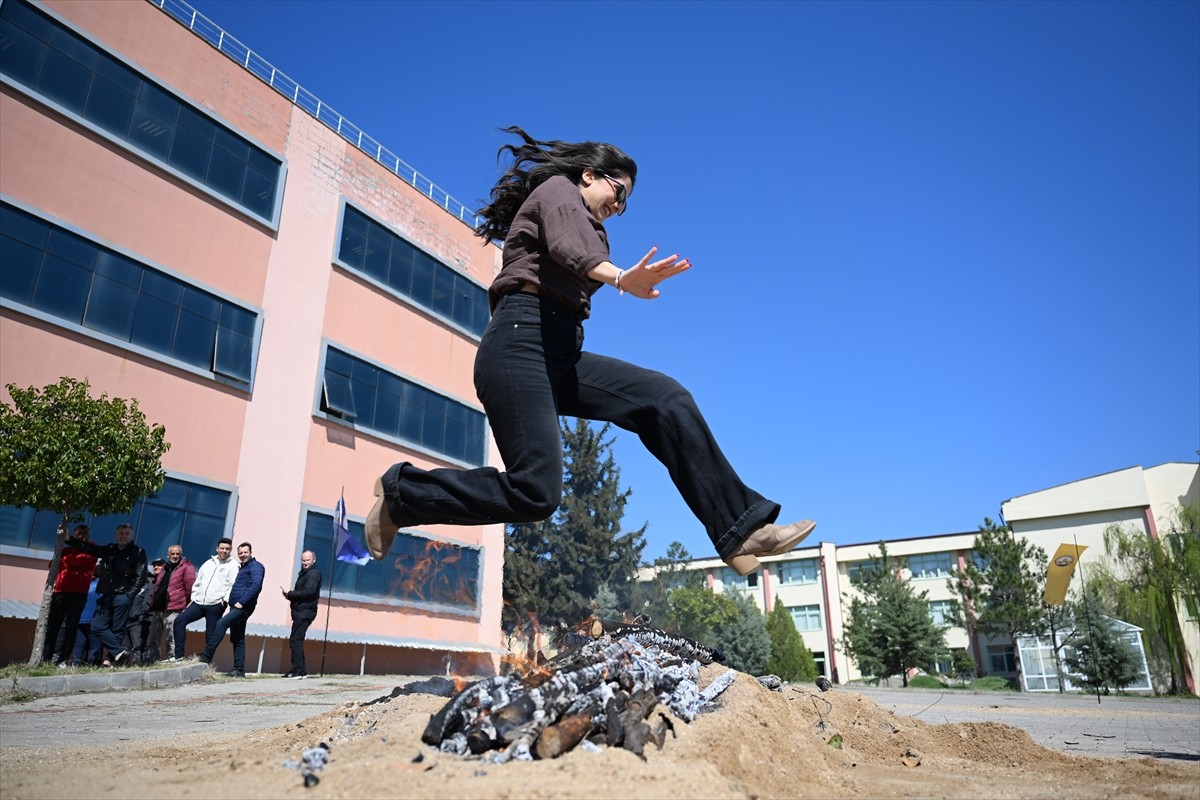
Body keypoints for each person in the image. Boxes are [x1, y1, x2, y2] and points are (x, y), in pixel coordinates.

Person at [364, 127, 815, 577]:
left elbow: (574, 254)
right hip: (519, 343)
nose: (618, 208)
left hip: (560, 351)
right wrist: (621, 278)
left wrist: (614, 274)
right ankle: (404, 495)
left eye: (624, 204)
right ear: (589, 175)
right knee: (537, 492)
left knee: (664, 398)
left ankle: (739, 528)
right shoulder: (557, 191)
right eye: (618, 193)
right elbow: (565, 248)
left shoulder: (593, 230)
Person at [66, 523, 147, 666]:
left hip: (123, 595)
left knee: (117, 628)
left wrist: (129, 595)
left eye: (126, 533)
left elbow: (141, 576)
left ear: (132, 536)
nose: (123, 536)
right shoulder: (110, 549)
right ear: (116, 535)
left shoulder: (138, 552)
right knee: (97, 625)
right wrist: (68, 539)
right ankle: (119, 652)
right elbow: (91, 549)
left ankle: (110, 660)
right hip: (106, 594)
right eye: (121, 533)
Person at [200, 542, 264, 677]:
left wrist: (242, 602)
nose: (243, 555)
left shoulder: (256, 567)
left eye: (245, 552)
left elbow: (256, 585)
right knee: (237, 638)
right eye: (240, 553)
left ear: (251, 552)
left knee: (221, 623)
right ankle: (239, 670)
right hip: (236, 606)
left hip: (243, 607)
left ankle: (206, 655)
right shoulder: (243, 568)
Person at [169, 538, 237, 661]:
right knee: (179, 621)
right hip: (199, 603)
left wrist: (224, 601)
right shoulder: (208, 563)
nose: (224, 551)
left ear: (230, 550)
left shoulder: (233, 565)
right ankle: (178, 656)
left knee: (210, 634)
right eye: (222, 548)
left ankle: (206, 661)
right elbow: (198, 581)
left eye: (227, 549)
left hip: (216, 604)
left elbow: (232, 585)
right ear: (217, 549)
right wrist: (194, 597)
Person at [42, 524, 99, 665]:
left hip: (78, 593)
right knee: (52, 627)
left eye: (84, 533)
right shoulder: (66, 549)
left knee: (71, 627)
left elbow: (78, 560)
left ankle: (63, 659)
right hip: (60, 591)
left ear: (88, 535)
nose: (81, 535)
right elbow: (52, 565)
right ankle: (46, 657)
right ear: (73, 534)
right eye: (78, 532)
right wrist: (64, 560)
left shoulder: (91, 547)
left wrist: (64, 561)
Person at [147, 544, 195, 662]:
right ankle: (153, 661)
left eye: (177, 554)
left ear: (181, 554)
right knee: (153, 637)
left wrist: (182, 601)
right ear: (168, 555)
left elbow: (189, 587)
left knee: (170, 637)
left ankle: (171, 659)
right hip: (158, 606)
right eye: (172, 554)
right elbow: (158, 586)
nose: (175, 556)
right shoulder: (165, 567)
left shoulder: (186, 566)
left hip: (173, 607)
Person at [280, 550, 321, 679]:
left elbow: (309, 592)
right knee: (296, 640)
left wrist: (291, 594)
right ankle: (300, 670)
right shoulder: (304, 574)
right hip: (300, 611)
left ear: (314, 560)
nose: (305, 563)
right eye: (303, 560)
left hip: (305, 612)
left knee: (296, 640)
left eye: (308, 560)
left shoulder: (313, 574)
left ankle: (297, 670)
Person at [124, 561, 159, 665]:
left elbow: (146, 603)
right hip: (126, 619)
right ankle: (123, 665)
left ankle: (138, 664)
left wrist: (138, 613)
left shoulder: (149, 587)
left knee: (138, 645)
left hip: (139, 620)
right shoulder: (129, 587)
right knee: (125, 645)